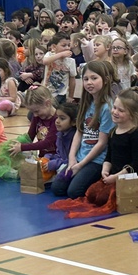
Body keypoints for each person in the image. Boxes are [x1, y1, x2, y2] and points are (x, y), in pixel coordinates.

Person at [50, 60, 117, 199]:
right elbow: (79, 132)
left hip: (96, 160)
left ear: (105, 80)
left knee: (74, 192)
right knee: (57, 188)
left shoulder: (107, 107)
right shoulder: (85, 103)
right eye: (86, 79)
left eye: (94, 78)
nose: (89, 82)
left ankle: (100, 181)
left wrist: (81, 165)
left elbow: (102, 143)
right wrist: (72, 158)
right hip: (80, 157)